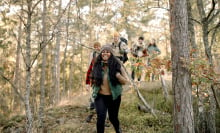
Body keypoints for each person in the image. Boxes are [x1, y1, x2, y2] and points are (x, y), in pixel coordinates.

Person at [91, 44, 129, 133]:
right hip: (100, 96)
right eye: (103, 52)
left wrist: (118, 75)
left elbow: (125, 81)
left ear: (111, 54)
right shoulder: (97, 65)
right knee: (101, 118)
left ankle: (118, 130)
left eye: (107, 52)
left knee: (113, 117)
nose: (105, 53)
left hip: (114, 97)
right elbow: (92, 79)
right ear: (100, 54)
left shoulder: (117, 64)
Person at [85, 42, 101, 123]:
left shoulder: (104, 57)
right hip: (95, 83)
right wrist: (87, 83)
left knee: (103, 101)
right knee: (93, 99)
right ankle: (90, 115)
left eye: (98, 46)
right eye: (95, 46)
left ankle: (103, 119)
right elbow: (88, 72)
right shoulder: (93, 60)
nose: (97, 48)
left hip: (104, 85)